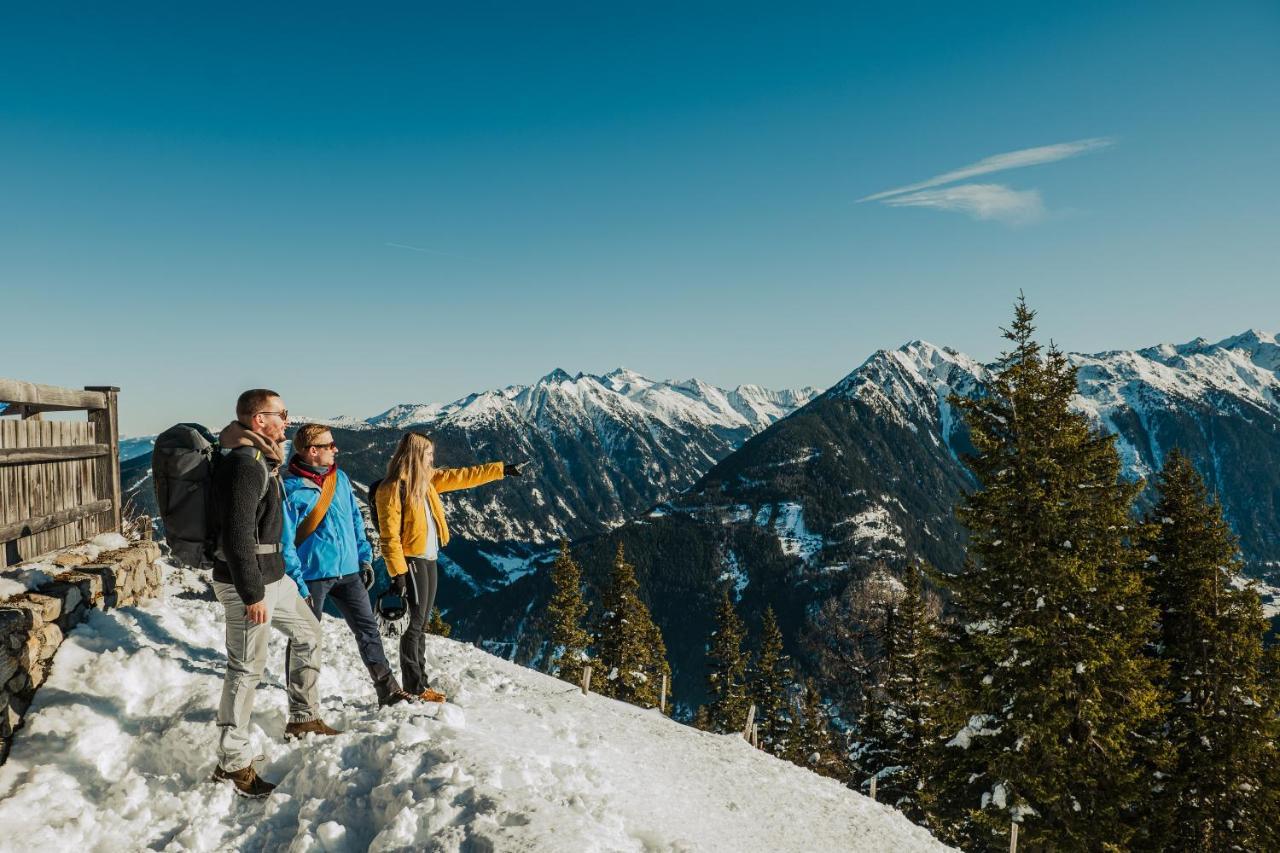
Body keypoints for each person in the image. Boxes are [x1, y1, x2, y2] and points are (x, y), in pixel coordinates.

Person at [210, 389, 340, 798]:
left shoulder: (262, 460)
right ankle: (232, 764)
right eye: (281, 413)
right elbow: (236, 535)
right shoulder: (245, 466)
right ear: (257, 419)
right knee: (246, 670)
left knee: (309, 633)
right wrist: (252, 595)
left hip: (274, 577)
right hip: (249, 583)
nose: (288, 419)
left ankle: (303, 716)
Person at [375, 432, 522, 701]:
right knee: (414, 625)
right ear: (416, 455)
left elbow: (465, 476)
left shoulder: (426, 481)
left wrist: (502, 469)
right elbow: (389, 537)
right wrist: (398, 574)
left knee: (420, 623)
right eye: (429, 454)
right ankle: (415, 686)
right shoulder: (393, 488)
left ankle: (420, 682)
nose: (433, 458)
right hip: (412, 561)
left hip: (429, 558)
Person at [283, 423, 416, 706]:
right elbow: (284, 542)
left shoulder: (339, 479)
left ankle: (388, 689)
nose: (336, 449)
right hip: (312, 577)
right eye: (330, 445)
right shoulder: (290, 489)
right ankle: (300, 698)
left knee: (368, 630)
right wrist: (297, 580)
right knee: (304, 637)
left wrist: (364, 558)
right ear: (312, 451)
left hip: (349, 573)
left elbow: (356, 520)